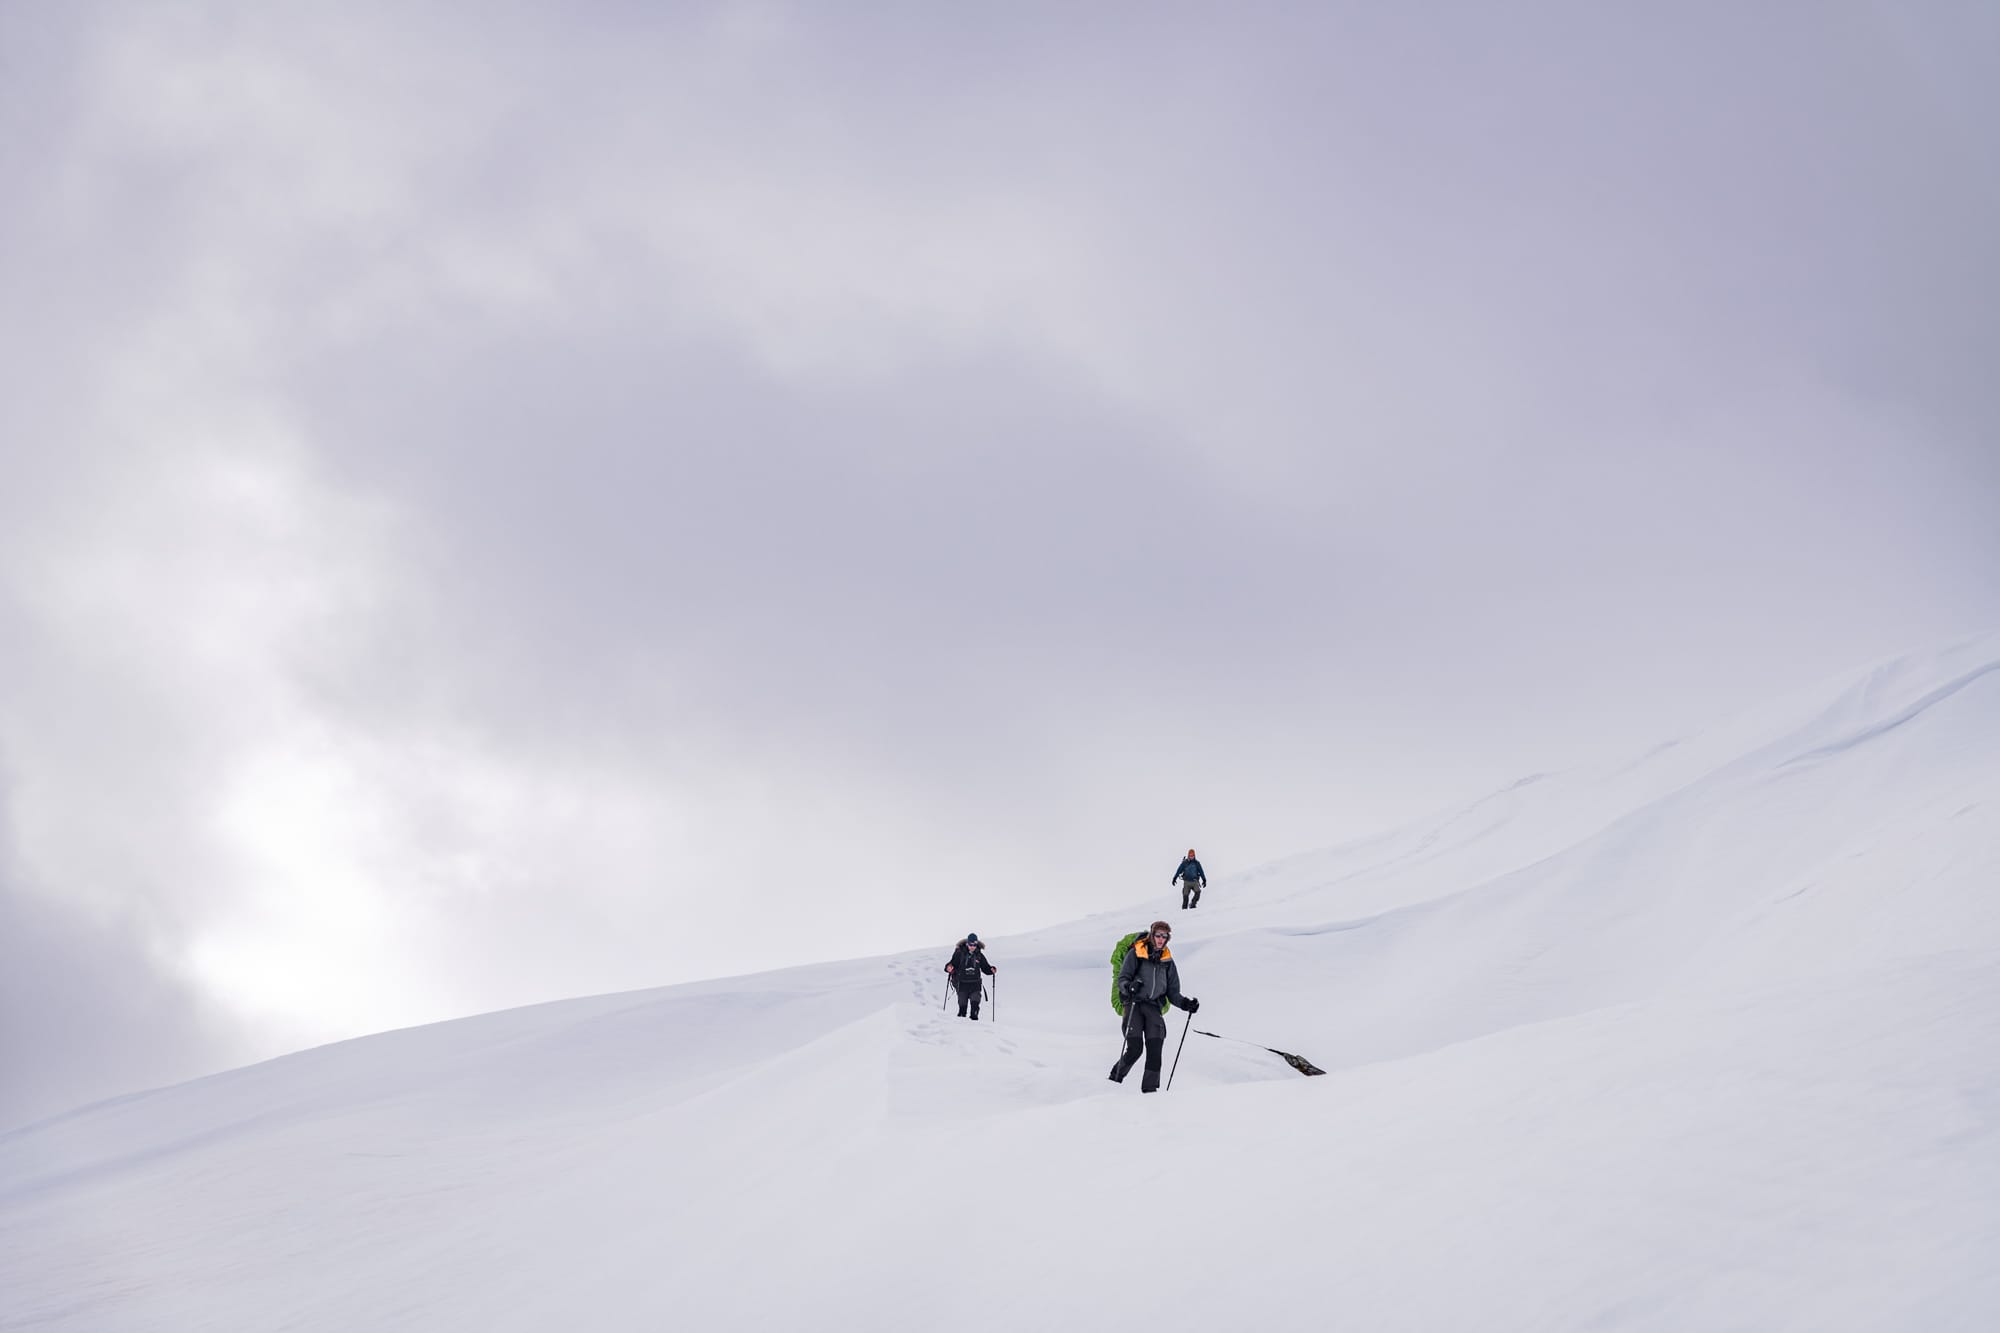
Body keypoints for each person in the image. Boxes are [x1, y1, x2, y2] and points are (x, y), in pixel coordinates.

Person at [1109, 920, 1198, 1092]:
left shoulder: (1168, 962)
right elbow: (1123, 978)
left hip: (1153, 1008)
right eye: (1158, 935)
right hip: (1134, 1004)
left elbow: (1173, 992)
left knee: (1155, 1050)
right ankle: (1113, 1080)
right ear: (1152, 935)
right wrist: (1129, 986)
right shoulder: (1136, 954)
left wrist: (1186, 1004)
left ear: (1167, 938)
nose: (1160, 939)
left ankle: (1150, 1093)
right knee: (1135, 1049)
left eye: (1164, 936)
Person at [944, 932, 996, 1020]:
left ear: (977, 944)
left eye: (974, 945)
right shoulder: (959, 953)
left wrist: (991, 970)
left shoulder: (979, 955)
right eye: (970, 944)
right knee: (962, 1011)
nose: (972, 946)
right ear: (967, 943)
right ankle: (960, 1029)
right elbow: (951, 964)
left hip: (975, 984)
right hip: (962, 984)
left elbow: (985, 968)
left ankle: (975, 1030)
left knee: (974, 1010)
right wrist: (948, 967)